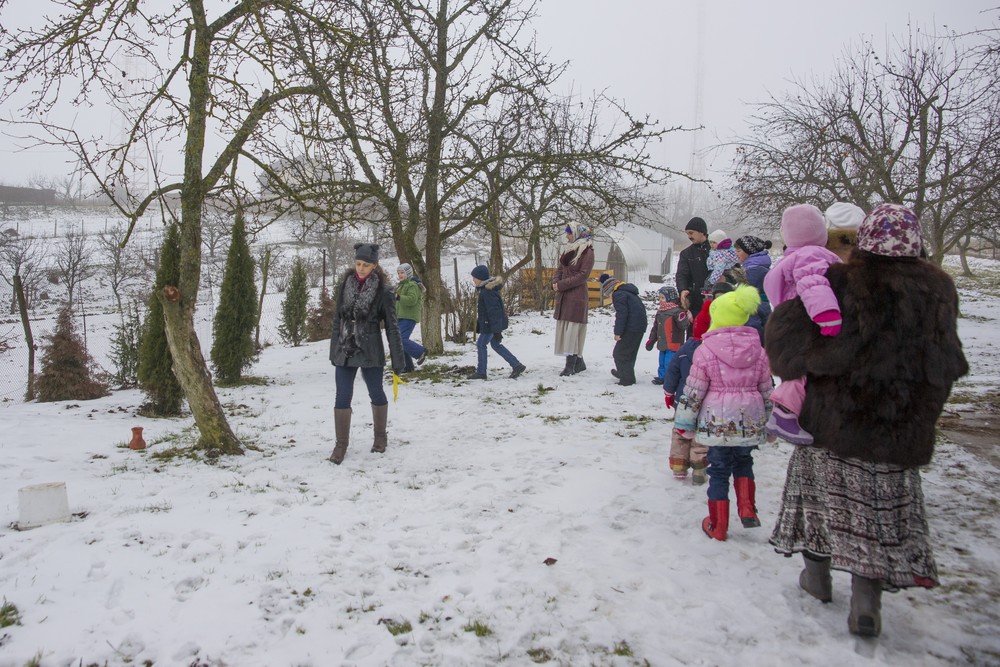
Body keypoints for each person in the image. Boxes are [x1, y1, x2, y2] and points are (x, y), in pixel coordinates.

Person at [765, 203, 967, 637]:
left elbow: (786, 343)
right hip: (898, 429)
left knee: (818, 503)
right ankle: (865, 600)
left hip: (832, 422)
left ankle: (817, 579)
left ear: (865, 240)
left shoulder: (840, 280)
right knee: (875, 514)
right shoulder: (938, 289)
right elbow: (946, 362)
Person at [674, 285, 773, 541]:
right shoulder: (758, 351)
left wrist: (684, 423)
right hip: (748, 420)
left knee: (718, 470)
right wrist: (769, 421)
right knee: (744, 462)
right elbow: (767, 390)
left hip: (717, 422)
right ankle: (747, 508)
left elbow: (693, 391)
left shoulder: (705, 351)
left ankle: (717, 525)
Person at [762, 204, 843, 445]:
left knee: (797, 370)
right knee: (805, 371)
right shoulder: (812, 255)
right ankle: (784, 414)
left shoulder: (793, 256)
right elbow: (813, 283)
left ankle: (785, 414)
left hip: (790, 322)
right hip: (807, 321)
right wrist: (826, 313)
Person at [328, 243, 406, 465]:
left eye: (366, 265)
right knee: (342, 396)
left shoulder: (384, 291)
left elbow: (392, 327)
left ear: (375, 265)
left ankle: (380, 437)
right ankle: (341, 444)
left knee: (376, 392)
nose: (361, 268)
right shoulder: (345, 285)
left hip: (370, 350)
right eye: (358, 263)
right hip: (345, 349)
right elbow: (337, 320)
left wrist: (398, 359)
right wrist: (334, 350)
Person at [662, 308, 710, 483]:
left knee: (681, 432)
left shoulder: (684, 350)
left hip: (682, 401)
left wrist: (669, 394)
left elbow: (671, 374)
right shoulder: (712, 353)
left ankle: (679, 466)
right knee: (701, 435)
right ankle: (699, 469)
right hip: (705, 403)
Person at [552, 222, 595, 376]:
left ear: (577, 233)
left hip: (576, 297)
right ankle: (578, 362)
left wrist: (562, 284)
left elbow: (583, 275)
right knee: (566, 329)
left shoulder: (587, 251)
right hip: (564, 296)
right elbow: (560, 269)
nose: (567, 235)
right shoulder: (570, 249)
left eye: (569, 233)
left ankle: (571, 365)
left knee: (573, 331)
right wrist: (555, 282)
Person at [470, 265, 526, 380]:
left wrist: (496, 331)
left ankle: (481, 372)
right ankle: (517, 365)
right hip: (490, 324)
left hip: (490, 325)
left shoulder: (487, 292)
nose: (473, 280)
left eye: (474, 277)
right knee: (495, 345)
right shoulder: (486, 289)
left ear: (480, 278)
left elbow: (494, 312)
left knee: (481, 344)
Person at [599, 273, 647, 387]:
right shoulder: (629, 292)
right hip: (639, 326)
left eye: (608, 294)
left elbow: (622, 315)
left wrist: (618, 333)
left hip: (631, 327)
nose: (610, 297)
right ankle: (624, 373)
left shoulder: (618, 295)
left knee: (620, 353)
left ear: (610, 290)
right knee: (630, 353)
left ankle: (627, 378)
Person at [645, 285, 690, 385]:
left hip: (673, 342)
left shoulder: (677, 312)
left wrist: (684, 317)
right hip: (663, 342)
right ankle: (662, 377)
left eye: (662, 297)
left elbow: (684, 326)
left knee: (669, 362)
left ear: (670, 298)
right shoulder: (660, 312)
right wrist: (651, 340)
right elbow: (655, 328)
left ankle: (670, 378)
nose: (660, 300)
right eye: (659, 297)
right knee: (662, 361)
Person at [735, 235, 774, 342]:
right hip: (762, 308)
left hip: (754, 310)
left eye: (739, 251)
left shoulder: (753, 270)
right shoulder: (755, 267)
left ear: (749, 251)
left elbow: (745, 295)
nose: (736, 254)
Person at [674, 216, 711, 323]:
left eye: (691, 233)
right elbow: (681, 275)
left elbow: (730, 270)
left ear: (702, 232)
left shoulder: (716, 251)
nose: (689, 236)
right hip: (695, 302)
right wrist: (682, 289)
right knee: (694, 335)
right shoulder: (686, 254)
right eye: (687, 234)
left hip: (716, 301)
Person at [395, 263, 427, 373]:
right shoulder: (401, 286)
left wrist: (398, 297)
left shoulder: (412, 285)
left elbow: (411, 300)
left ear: (408, 273)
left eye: (402, 273)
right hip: (401, 316)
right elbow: (397, 303)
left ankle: (420, 352)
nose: (400, 275)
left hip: (409, 316)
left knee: (400, 339)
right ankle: (408, 366)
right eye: (398, 273)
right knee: (399, 340)